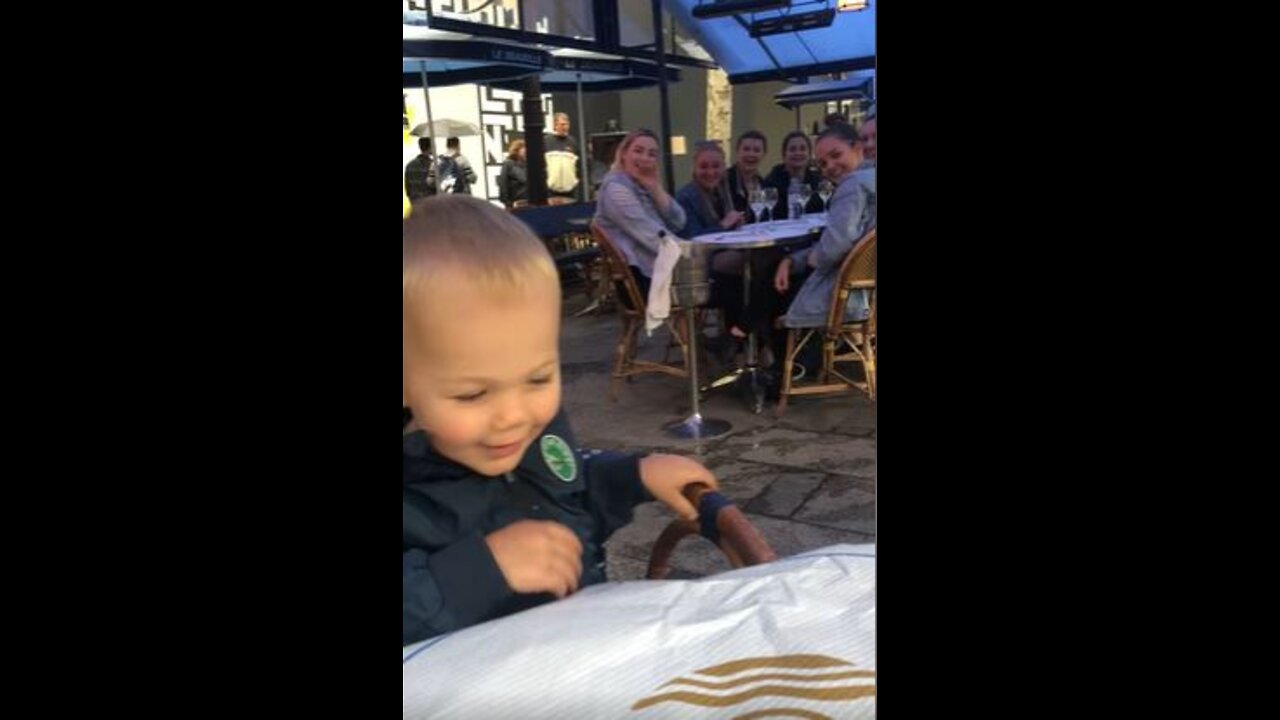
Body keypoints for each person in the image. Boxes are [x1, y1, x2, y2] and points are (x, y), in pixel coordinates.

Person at [403, 195, 720, 645]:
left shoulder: (539, 438)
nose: (514, 415)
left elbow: (567, 497)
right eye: (472, 394)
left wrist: (631, 477)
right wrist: (479, 571)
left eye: (538, 378)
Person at [773, 123, 877, 341]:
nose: (830, 166)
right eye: (823, 163)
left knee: (769, 282)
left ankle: (786, 366)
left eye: (836, 154)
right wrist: (796, 259)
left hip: (848, 295)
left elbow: (833, 249)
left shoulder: (853, 185)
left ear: (857, 148)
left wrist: (804, 259)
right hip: (866, 289)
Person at [593, 129, 686, 299]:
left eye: (652, 154)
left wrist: (655, 188)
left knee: (731, 276)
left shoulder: (643, 184)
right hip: (640, 279)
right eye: (638, 151)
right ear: (623, 155)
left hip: (661, 270)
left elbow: (679, 221)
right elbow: (649, 234)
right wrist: (689, 252)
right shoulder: (616, 189)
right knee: (726, 279)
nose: (645, 158)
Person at [763, 131, 826, 220]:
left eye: (803, 149)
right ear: (784, 155)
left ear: (809, 154)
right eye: (792, 149)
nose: (798, 153)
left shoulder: (819, 181)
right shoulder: (771, 182)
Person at [723, 130, 768, 223]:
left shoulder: (763, 184)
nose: (751, 154)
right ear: (737, 151)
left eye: (757, 150)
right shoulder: (723, 181)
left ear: (763, 154)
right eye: (746, 149)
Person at [545, 112, 579, 201]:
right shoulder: (546, 141)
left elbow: (578, 165)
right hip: (551, 192)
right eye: (562, 124)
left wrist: (575, 181)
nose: (565, 127)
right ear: (555, 125)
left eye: (567, 124)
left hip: (570, 192)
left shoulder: (573, 142)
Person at [497, 138, 528, 208]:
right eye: (524, 149)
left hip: (528, 202)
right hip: (515, 204)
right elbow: (503, 185)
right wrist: (508, 203)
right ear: (517, 150)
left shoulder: (529, 165)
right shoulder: (508, 164)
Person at [404, 137, 437, 202]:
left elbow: (408, 189)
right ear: (430, 147)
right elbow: (436, 186)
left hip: (416, 203)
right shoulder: (433, 165)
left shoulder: (409, 165)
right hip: (430, 204)